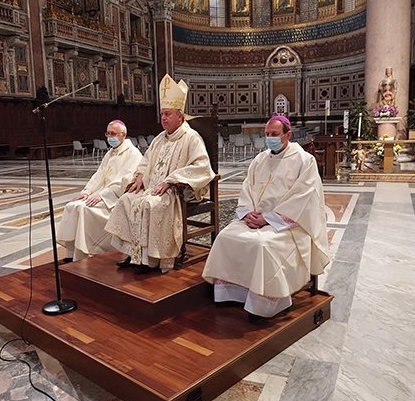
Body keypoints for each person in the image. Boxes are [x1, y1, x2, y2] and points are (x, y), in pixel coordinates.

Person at [202, 115, 330, 320]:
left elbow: (304, 198)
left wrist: (268, 219)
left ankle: (264, 303)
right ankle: (232, 293)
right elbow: (248, 188)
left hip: (288, 225)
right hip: (256, 219)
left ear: (288, 135)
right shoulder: (259, 160)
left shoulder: (304, 161)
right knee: (226, 237)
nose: (269, 138)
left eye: (275, 135)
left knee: (263, 245)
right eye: (267, 134)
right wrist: (248, 212)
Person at [105, 74, 215, 274]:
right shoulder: (159, 139)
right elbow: (145, 161)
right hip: (151, 187)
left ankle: (152, 260)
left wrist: (173, 180)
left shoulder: (191, 138)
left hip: (173, 191)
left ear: (180, 116)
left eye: (168, 114)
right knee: (126, 200)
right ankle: (133, 254)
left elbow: (202, 166)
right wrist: (139, 176)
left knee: (149, 205)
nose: (163, 118)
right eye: (162, 114)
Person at [57, 120, 143, 262]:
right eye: (108, 134)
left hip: (115, 199)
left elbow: (123, 181)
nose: (110, 137)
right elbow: (99, 175)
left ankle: (84, 253)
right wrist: (87, 191)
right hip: (101, 194)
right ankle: (71, 253)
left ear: (124, 135)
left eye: (113, 134)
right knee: (72, 206)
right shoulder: (111, 153)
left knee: (84, 210)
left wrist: (102, 195)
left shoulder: (133, 154)